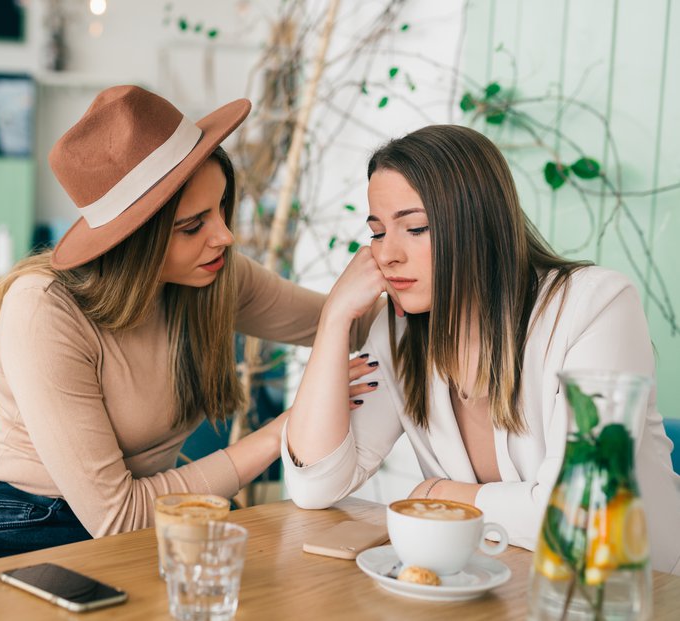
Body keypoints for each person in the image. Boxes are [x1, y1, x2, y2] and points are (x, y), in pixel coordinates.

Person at [0, 86, 381, 567]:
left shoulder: (212, 274)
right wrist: (290, 427)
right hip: (26, 530)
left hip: (147, 521)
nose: (224, 236)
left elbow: (352, 324)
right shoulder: (43, 312)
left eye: (221, 209)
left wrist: (416, 285)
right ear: (134, 241)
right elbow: (119, 516)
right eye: (192, 226)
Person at [282, 124, 680, 574]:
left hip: (636, 594)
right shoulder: (396, 331)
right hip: (504, 592)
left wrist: (440, 495)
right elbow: (315, 486)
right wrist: (335, 319)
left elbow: (583, 517)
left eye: (415, 228)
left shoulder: (596, 305)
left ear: (478, 224)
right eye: (377, 232)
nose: (387, 254)